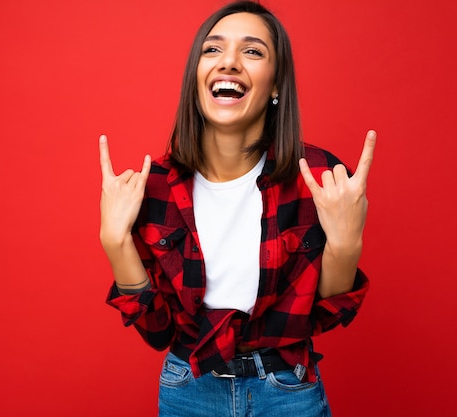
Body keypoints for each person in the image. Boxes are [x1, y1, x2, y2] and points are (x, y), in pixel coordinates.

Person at [99, 1, 375, 416]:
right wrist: (114, 242)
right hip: (188, 387)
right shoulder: (150, 187)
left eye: (252, 51)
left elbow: (322, 317)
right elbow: (158, 333)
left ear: (277, 84)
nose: (228, 62)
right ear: (196, 77)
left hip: (286, 389)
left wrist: (346, 244)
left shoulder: (320, 177)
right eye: (213, 50)